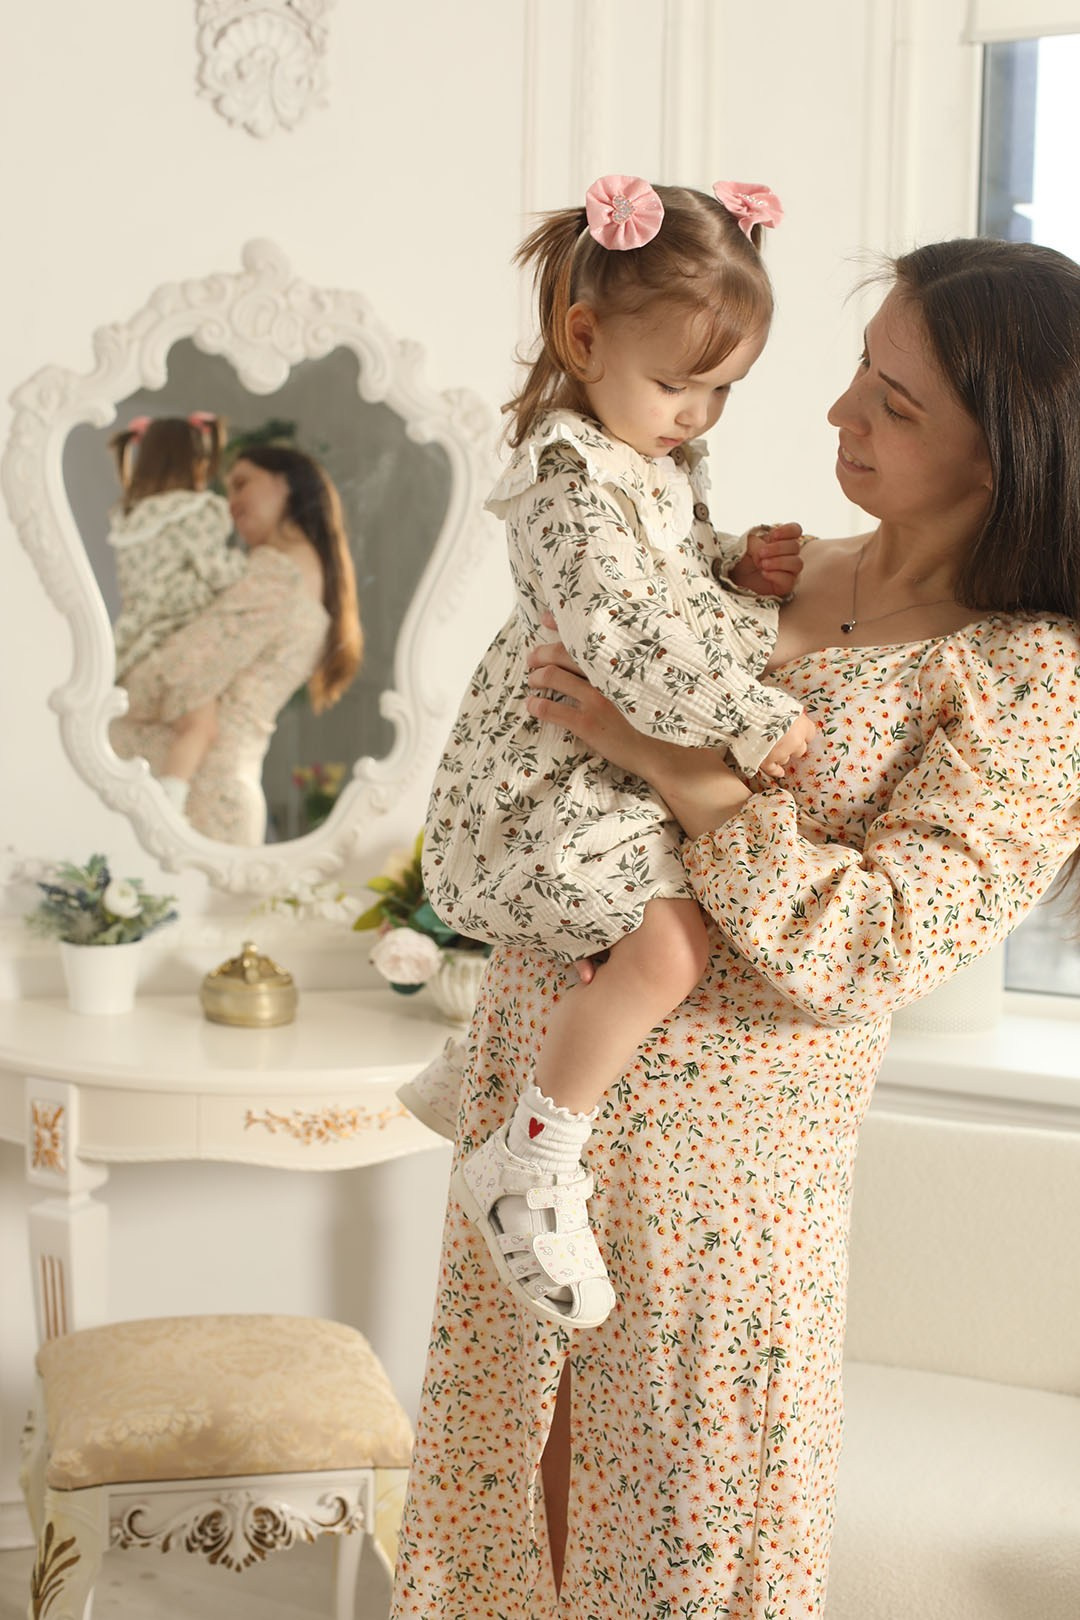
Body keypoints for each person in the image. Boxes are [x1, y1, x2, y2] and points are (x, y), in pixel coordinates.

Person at [391, 235, 1080, 1620]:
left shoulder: (1028, 680)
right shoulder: (755, 572)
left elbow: (873, 944)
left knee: (677, 1572)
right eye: (860, 371)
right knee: (500, 1543)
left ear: (1002, 459)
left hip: (718, 1206)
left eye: (895, 404)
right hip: (535, 1146)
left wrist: (677, 767)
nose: (838, 413)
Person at [409, 176, 815, 1330]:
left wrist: (732, 563)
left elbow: (665, 570)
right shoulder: (564, 474)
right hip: (556, 755)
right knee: (671, 943)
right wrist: (747, 714)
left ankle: (489, 1071)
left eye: (722, 390)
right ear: (584, 339)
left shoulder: (653, 458)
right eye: (678, 384)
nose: (698, 415)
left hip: (605, 751)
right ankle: (532, 1159)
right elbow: (622, 634)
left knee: (645, 934)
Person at [110, 444, 362, 844]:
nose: (231, 503)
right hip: (212, 797)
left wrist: (119, 686)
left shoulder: (277, 573)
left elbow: (172, 674)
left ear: (287, 484)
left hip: (198, 804)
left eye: (242, 484)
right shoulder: (304, 577)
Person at [107, 412, 244, 815]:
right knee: (201, 726)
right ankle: (169, 810)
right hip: (179, 628)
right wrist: (248, 565)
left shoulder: (128, 516)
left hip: (135, 636)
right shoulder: (200, 509)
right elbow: (215, 570)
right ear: (197, 463)